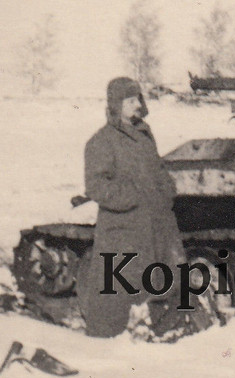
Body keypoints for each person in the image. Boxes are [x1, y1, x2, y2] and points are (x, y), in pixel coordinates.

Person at [78, 77, 184, 337]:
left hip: (154, 223)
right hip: (123, 228)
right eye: (130, 100)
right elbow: (96, 186)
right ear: (116, 105)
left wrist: (167, 190)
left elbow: (157, 170)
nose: (138, 105)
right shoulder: (101, 141)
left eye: (138, 99)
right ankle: (106, 337)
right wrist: (133, 198)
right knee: (117, 285)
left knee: (159, 277)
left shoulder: (145, 136)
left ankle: (155, 329)